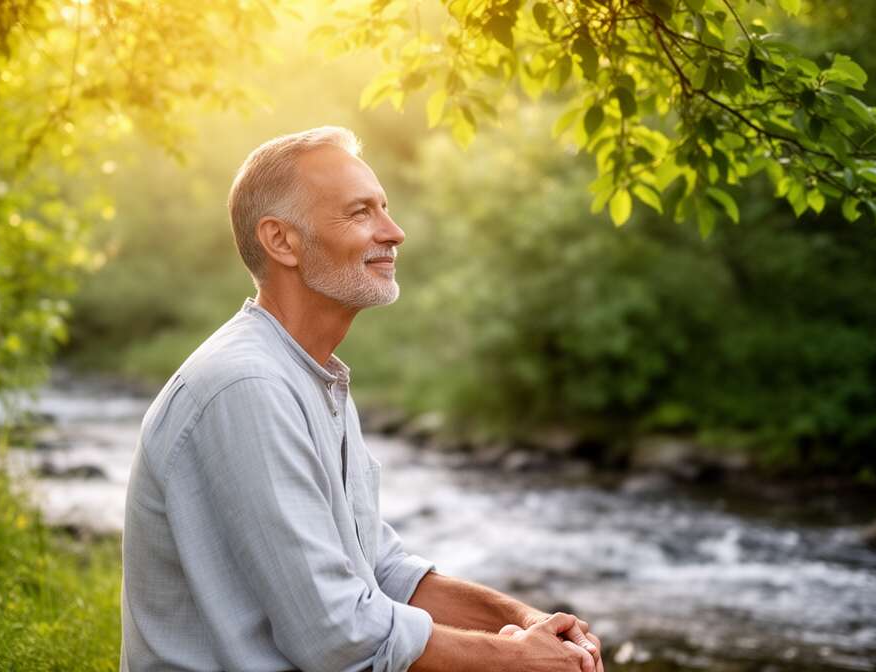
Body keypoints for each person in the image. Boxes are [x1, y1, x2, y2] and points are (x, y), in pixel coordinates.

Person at [120, 126, 604, 672]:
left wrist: (525, 620)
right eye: (359, 213)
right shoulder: (248, 387)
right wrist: (513, 658)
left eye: (385, 209)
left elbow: (380, 569)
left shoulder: (313, 376)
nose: (394, 232)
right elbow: (335, 632)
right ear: (282, 241)